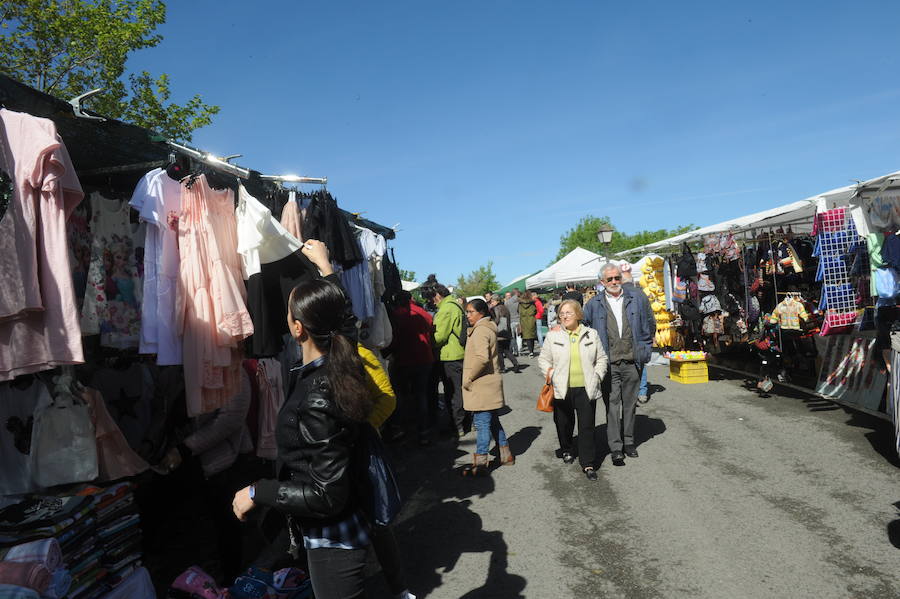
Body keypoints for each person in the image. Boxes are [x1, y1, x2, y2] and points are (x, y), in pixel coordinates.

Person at [231, 277, 377, 599]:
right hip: (334, 530)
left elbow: (327, 494)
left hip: (334, 543)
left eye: (287, 312)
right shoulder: (341, 363)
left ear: (298, 329)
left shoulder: (319, 390)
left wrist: (259, 491)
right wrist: (327, 272)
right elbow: (345, 324)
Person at [582, 263, 654, 467]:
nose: (614, 282)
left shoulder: (637, 297)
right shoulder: (594, 304)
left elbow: (650, 323)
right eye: (610, 279)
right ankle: (616, 447)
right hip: (609, 363)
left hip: (632, 360)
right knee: (612, 406)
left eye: (617, 278)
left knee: (630, 404)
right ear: (602, 282)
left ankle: (629, 442)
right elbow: (585, 328)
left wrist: (646, 348)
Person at [538, 299, 608, 481]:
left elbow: (602, 359)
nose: (564, 316)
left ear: (578, 314)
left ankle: (588, 463)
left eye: (568, 313)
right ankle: (567, 448)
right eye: (561, 314)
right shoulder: (553, 336)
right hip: (562, 389)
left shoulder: (591, 334)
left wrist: (598, 375)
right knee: (564, 423)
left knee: (587, 427)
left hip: (586, 388)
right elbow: (543, 359)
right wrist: (551, 374)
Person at [460, 299, 513, 475]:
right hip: (488, 384)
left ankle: (481, 463)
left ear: (481, 313)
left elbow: (482, 358)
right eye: (467, 312)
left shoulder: (481, 330)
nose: (468, 315)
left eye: (470, 312)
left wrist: (469, 377)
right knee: (493, 422)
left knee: (482, 424)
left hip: (481, 384)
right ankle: (506, 456)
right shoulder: (486, 327)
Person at [387, 290, 435, 445]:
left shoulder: (397, 315)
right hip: (425, 359)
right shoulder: (422, 312)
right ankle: (424, 432)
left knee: (401, 396)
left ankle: (401, 429)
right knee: (421, 396)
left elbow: (393, 339)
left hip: (405, 361)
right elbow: (431, 326)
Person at [431, 282, 469, 437]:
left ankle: (457, 425)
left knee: (453, 392)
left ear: (438, 295)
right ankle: (465, 423)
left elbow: (439, 336)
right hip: (458, 353)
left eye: (432, 297)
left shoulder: (446, 308)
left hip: (450, 356)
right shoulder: (455, 305)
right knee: (460, 390)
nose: (431, 301)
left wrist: (427, 338)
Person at [620, 264, 656, 404]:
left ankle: (630, 393)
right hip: (641, 335)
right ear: (633, 281)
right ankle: (642, 392)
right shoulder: (642, 294)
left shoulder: (618, 295)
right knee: (640, 363)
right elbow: (650, 317)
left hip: (625, 335)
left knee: (626, 364)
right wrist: (652, 333)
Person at [490, 297, 519, 373]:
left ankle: (502, 368)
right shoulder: (505, 308)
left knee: (499, 351)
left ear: (497, 301)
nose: (492, 303)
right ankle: (515, 363)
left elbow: (497, 320)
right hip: (507, 331)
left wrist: (492, 323)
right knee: (506, 350)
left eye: (493, 301)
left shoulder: (497, 308)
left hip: (500, 332)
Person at [518, 291, 538, 357]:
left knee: (527, 337)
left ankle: (530, 351)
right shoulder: (532, 303)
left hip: (523, 321)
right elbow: (535, 311)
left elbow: (519, 312)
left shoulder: (520, 304)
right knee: (531, 337)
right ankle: (531, 351)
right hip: (531, 320)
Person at [505, 290, 521, 355]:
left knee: (512, 337)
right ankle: (519, 349)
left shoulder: (507, 303)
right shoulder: (519, 301)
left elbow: (506, 313)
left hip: (511, 321)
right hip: (518, 320)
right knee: (519, 336)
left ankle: (514, 350)